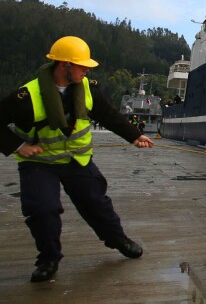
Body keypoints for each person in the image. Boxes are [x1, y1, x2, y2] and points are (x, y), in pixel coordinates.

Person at [0, 36, 155, 283]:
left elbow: (108, 115)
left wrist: (134, 136)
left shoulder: (89, 89)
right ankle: (48, 259)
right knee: (43, 209)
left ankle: (117, 239)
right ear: (65, 65)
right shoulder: (26, 96)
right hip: (41, 164)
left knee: (97, 204)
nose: (87, 70)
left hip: (77, 161)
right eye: (82, 66)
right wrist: (19, 146)